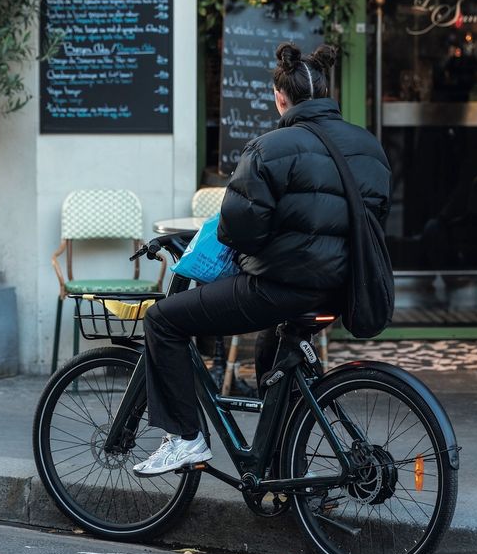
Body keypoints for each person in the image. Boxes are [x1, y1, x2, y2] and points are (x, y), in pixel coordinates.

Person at [133, 41, 392, 477]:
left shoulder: (270, 147)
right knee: (273, 351)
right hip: (343, 288)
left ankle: (184, 439)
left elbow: (238, 231)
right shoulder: (368, 146)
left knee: (163, 319)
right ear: (327, 92)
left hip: (282, 288)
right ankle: (286, 466)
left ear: (280, 97)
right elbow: (376, 215)